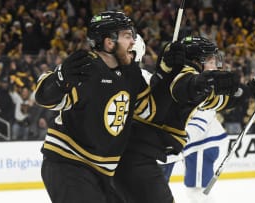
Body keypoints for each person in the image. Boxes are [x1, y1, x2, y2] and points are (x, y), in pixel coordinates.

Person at [34, 11, 184, 203]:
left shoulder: (131, 74)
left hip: (103, 171)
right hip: (69, 163)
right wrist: (59, 79)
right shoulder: (86, 68)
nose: (133, 41)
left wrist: (167, 74)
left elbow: (149, 111)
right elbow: (47, 99)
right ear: (109, 42)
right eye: (128, 36)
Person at [114, 36, 255, 203]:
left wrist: (254, 88)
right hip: (138, 155)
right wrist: (198, 83)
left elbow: (222, 100)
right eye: (210, 59)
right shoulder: (182, 74)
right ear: (197, 60)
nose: (215, 64)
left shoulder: (196, 84)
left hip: (148, 154)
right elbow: (183, 87)